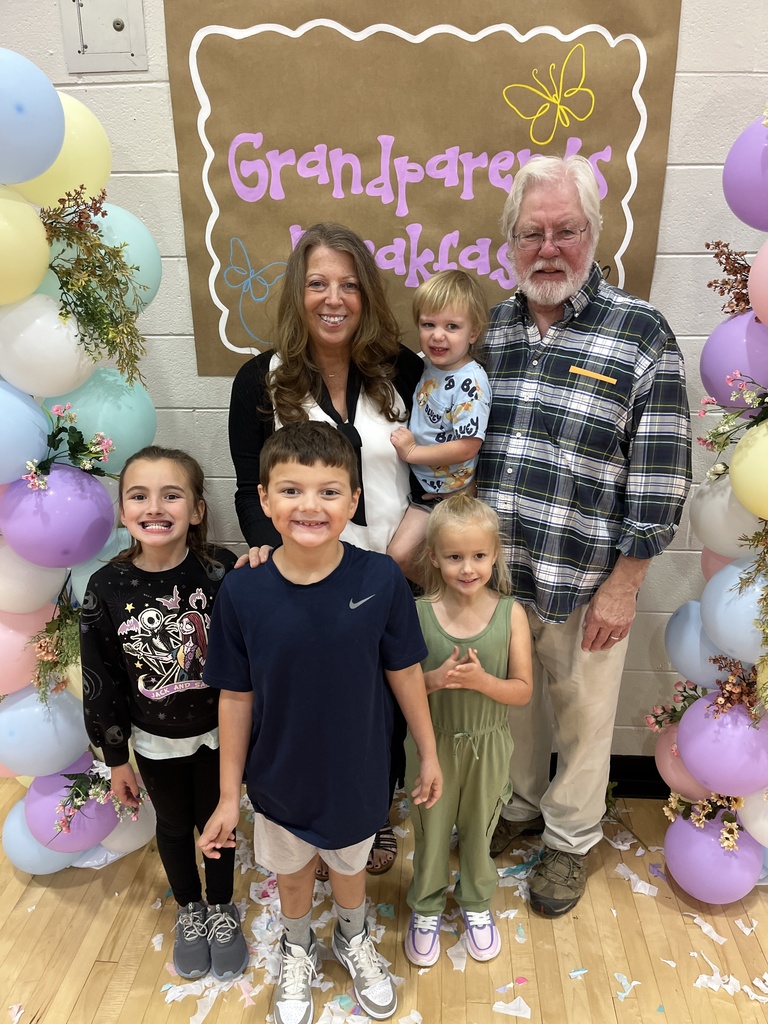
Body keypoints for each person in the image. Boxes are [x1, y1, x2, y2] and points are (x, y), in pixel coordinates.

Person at [476, 155, 692, 917]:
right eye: (531, 232)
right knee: (515, 709)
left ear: (594, 234)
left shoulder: (640, 333)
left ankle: (570, 841)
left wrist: (626, 584)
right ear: (509, 242)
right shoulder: (491, 332)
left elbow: (663, 471)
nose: (548, 247)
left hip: (588, 579)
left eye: (566, 230)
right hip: (499, 578)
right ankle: (521, 806)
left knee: (584, 717)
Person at [198, 422, 442, 1024]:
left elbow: (406, 672)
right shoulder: (242, 588)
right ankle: (298, 943)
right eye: (291, 490)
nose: (310, 505)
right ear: (264, 500)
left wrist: (429, 755)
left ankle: (353, 937)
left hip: (358, 773)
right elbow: (235, 696)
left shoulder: (381, 579)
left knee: (351, 867)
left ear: (354, 500)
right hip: (279, 778)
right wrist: (230, 795)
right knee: (292, 876)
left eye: (329, 491)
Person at [228, 222, 425, 875]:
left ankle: (375, 814)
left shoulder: (406, 370)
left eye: (347, 284)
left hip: (393, 570)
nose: (332, 298)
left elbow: (437, 483)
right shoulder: (260, 380)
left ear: (367, 295)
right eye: (317, 283)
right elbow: (246, 486)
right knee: (308, 704)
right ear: (298, 292)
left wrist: (393, 563)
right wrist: (263, 550)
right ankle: (297, 820)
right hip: (303, 576)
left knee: (383, 703)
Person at [80, 446, 248, 982]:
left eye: (171, 494)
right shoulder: (105, 587)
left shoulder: (224, 574)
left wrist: (265, 560)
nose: (155, 506)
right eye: (139, 495)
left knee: (217, 826)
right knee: (174, 827)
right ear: (124, 511)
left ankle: (221, 907)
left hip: (221, 738)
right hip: (154, 744)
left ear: (197, 509)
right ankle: (189, 908)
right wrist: (115, 759)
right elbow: (99, 678)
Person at [403, 494, 532, 967]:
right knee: (431, 830)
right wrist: (433, 680)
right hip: (430, 743)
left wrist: (482, 682)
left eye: (479, 555)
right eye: (455, 556)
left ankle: (477, 902)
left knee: (480, 830)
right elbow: (401, 685)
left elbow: (522, 691)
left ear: (494, 554)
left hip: (489, 742)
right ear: (433, 557)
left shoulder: (510, 613)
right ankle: (427, 904)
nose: (467, 568)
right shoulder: (416, 613)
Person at [388, 270, 492, 579]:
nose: (437, 335)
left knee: (400, 557)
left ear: (473, 333)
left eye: (452, 326)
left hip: (449, 496)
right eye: (428, 324)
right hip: (424, 488)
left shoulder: (470, 382)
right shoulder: (432, 367)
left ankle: (448, 603)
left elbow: (468, 444)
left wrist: (412, 453)